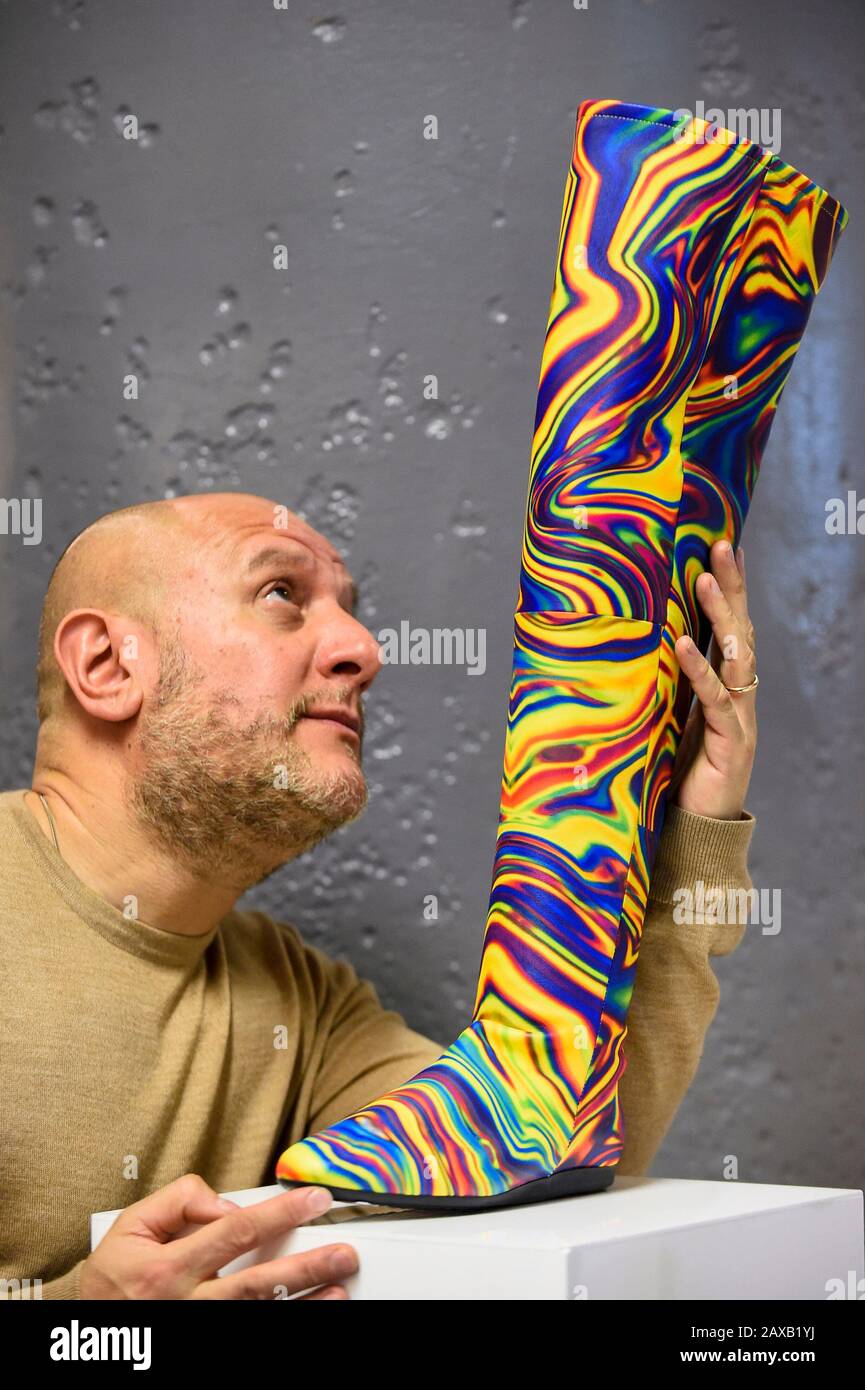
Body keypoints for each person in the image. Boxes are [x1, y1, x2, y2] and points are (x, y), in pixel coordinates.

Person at [0, 491, 756, 1300]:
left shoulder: (301, 1001)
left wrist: (685, 839)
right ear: (109, 668)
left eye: (351, 611)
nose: (365, 649)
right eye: (282, 595)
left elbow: (550, 1144)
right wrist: (74, 1330)